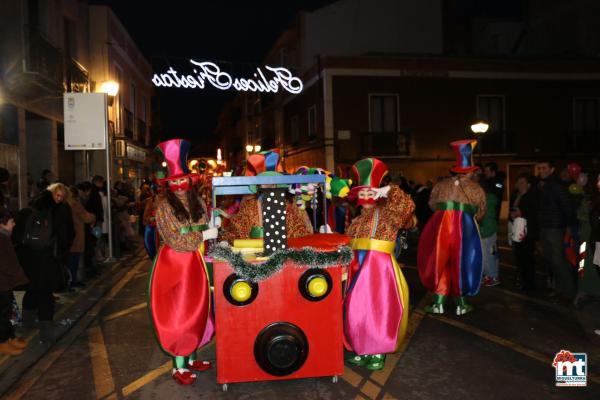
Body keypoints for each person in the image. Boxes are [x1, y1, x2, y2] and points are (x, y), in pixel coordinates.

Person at [149, 139, 218, 385]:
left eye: (182, 180)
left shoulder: (197, 202)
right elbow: (174, 237)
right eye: (174, 182)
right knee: (178, 314)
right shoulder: (165, 207)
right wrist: (204, 234)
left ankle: (190, 358)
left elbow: (202, 224)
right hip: (175, 265)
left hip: (195, 262)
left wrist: (214, 224)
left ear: (190, 180)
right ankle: (178, 366)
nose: (179, 186)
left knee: (197, 308)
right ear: (167, 185)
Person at [344, 158, 415, 371]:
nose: (366, 196)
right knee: (356, 309)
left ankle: (377, 351)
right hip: (357, 266)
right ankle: (361, 347)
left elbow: (407, 207)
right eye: (362, 193)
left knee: (379, 308)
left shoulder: (387, 214)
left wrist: (389, 189)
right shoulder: (356, 221)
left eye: (370, 192)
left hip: (379, 268)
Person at [418, 140, 486, 315]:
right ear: (471, 171)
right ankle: (461, 305)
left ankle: (438, 304)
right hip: (465, 227)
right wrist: (469, 218)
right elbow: (482, 211)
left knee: (441, 261)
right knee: (462, 262)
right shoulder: (476, 188)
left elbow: (432, 204)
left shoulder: (440, 185)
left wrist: (446, 212)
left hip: (441, 225)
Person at [219, 150, 312, 243]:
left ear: (276, 186)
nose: (269, 189)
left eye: (272, 185)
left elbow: (300, 232)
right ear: (259, 187)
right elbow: (234, 232)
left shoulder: (286, 207)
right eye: (265, 185)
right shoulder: (250, 207)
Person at [13, 190, 59, 344]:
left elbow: (16, 237)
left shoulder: (25, 213)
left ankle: (27, 326)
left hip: (27, 260)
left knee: (30, 290)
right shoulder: (50, 215)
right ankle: (47, 335)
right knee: (45, 295)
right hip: (45, 260)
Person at [536, 160, 576, 302]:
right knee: (550, 259)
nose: (541, 170)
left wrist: (569, 226)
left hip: (555, 227)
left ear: (552, 170)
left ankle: (569, 292)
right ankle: (559, 288)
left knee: (559, 260)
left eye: (544, 168)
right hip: (546, 226)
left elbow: (567, 206)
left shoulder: (556, 185)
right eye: (540, 168)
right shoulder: (543, 185)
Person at [0, 209, 29, 355]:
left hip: (7, 282)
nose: (14, 224)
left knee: (9, 312)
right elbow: (5, 263)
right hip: (3, 283)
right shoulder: (1, 239)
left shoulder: (5, 237)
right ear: (2, 224)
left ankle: (10, 338)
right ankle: (3, 343)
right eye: (11, 222)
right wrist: (17, 274)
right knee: (4, 314)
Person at [509, 173, 539, 291]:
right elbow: (513, 209)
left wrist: (521, 214)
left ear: (528, 184)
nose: (519, 185)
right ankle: (524, 282)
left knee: (528, 259)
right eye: (518, 182)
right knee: (520, 258)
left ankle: (530, 284)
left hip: (528, 232)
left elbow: (534, 213)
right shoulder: (517, 195)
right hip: (518, 229)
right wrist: (512, 215)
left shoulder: (531, 196)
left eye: (522, 182)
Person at [67, 186, 96, 288]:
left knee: (70, 260)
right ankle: (73, 280)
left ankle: (71, 280)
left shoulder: (65, 205)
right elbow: (86, 217)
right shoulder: (75, 205)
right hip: (76, 235)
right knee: (75, 260)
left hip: (68, 237)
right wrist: (93, 217)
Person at [480, 180, 500, 287]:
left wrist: (482, 229)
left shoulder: (486, 200)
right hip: (488, 229)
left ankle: (493, 276)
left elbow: (485, 217)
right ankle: (489, 275)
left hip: (487, 230)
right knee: (488, 255)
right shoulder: (489, 199)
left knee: (488, 255)